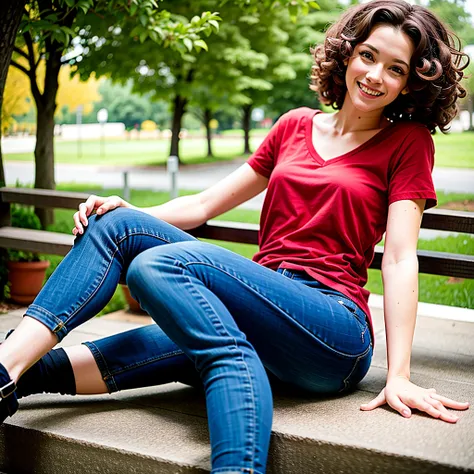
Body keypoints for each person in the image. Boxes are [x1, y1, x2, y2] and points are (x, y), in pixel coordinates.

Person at [0, 0, 471, 472]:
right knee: (112, 223)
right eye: (368, 56)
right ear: (347, 54)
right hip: (251, 308)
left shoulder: (407, 142)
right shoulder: (293, 126)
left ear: (410, 82)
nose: (375, 75)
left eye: (395, 68)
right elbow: (205, 205)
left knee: (158, 264)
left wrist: (401, 374)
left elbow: (400, 257)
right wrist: (133, 212)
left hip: (330, 328)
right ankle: (7, 371)